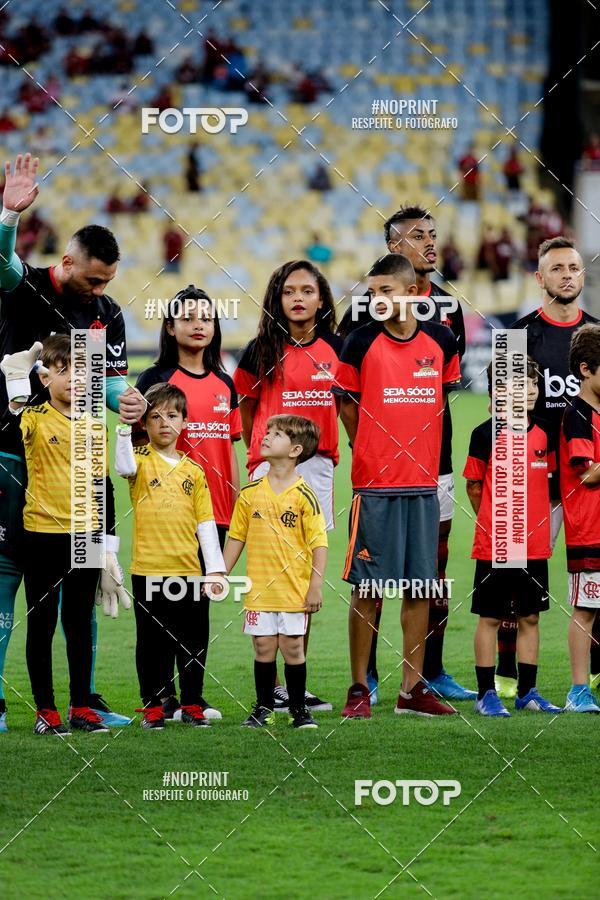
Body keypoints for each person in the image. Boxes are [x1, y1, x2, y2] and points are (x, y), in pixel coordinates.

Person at [0, 152, 144, 731]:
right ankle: (11, 704)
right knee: (12, 588)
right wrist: (8, 216)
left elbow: (108, 381)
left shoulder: (105, 312)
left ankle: (83, 698)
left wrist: (125, 400)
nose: (100, 290)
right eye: (92, 279)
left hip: (83, 466)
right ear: (67, 262)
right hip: (16, 457)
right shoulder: (25, 287)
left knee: (81, 595)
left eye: (108, 282)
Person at [339, 206, 472, 703]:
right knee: (370, 585)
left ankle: (417, 682)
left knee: (425, 580)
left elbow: (440, 396)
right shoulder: (359, 333)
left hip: (428, 473)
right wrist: (368, 446)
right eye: (418, 236)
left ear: (412, 295)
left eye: (433, 235)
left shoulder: (442, 329)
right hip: (376, 480)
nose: (430, 243)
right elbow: (348, 401)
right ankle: (362, 682)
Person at [1, 335, 130, 734]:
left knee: (78, 621)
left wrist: (108, 548)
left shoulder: (95, 425)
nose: (76, 379)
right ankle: (46, 711)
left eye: (85, 371)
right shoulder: (33, 418)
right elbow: (7, 424)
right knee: (40, 622)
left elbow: (102, 486)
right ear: (46, 377)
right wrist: (17, 377)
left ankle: (80, 706)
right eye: (65, 370)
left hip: (87, 536)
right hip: (41, 533)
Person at [233, 260, 342, 713]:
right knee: (267, 570)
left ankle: (294, 681)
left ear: (321, 299)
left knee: (302, 575)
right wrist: (257, 454)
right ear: (277, 299)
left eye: (307, 291)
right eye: (289, 291)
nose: (298, 298)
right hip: (268, 466)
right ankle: (270, 683)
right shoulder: (261, 349)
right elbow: (244, 406)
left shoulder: (339, 348)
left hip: (318, 469)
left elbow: (350, 406)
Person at [497, 237, 600, 699]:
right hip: (531, 483)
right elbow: (503, 417)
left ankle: (591, 676)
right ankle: (505, 677)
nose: (566, 275)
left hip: (587, 486)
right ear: (540, 278)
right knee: (515, 589)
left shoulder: (596, 335)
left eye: (573, 268)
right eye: (556, 268)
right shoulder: (517, 337)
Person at [134, 285, 241, 720]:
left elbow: (230, 448)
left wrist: (235, 511)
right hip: (165, 519)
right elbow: (136, 451)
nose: (199, 325)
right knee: (159, 615)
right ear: (171, 326)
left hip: (212, 516)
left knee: (196, 613)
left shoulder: (225, 383)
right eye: (189, 317)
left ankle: (193, 698)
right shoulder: (155, 380)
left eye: (207, 318)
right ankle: (160, 699)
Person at [115, 383, 226, 728]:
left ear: (185, 421)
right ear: (144, 425)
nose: (164, 422)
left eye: (172, 415)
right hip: (148, 569)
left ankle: (192, 703)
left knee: (193, 641)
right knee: (151, 643)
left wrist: (216, 571)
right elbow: (121, 467)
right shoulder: (140, 461)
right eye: (155, 416)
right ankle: (153, 706)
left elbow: (206, 523)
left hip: (189, 572)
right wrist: (122, 428)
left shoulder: (194, 471)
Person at [464, 357, 562, 716]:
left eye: (534, 383)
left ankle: (528, 692)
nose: (532, 390)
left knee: (530, 617)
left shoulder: (546, 432)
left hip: (533, 545)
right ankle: (485, 694)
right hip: (496, 543)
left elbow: (551, 487)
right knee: (489, 617)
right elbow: (474, 486)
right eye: (523, 384)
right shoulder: (483, 434)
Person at [223, 415, 327, 729]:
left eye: (277, 434)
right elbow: (236, 537)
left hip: (293, 590)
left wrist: (315, 586)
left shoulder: (304, 495)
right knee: (263, 646)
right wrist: (220, 574)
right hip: (259, 591)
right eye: (268, 432)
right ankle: (263, 708)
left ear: (295, 449)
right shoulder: (250, 493)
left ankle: (299, 710)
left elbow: (319, 543)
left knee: (293, 647)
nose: (267, 437)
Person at [561, 325, 600, 712]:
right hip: (589, 527)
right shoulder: (577, 415)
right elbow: (586, 473)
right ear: (586, 370)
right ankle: (577, 690)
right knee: (586, 610)